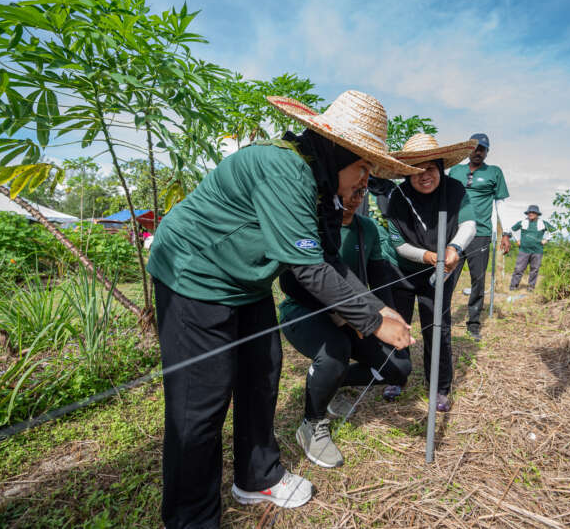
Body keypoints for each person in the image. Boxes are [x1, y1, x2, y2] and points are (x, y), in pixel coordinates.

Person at [146, 90, 419, 529]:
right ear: (338, 151)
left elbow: (327, 258)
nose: (366, 182)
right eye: (364, 167)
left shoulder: (320, 187)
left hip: (245, 280)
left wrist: (378, 310)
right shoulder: (284, 168)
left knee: (263, 372)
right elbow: (308, 269)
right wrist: (372, 321)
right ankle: (191, 518)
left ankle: (257, 477)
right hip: (193, 273)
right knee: (201, 401)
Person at [279, 187, 411, 469]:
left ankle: (332, 382)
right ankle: (312, 423)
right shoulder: (311, 224)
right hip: (304, 309)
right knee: (335, 350)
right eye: (347, 190)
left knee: (398, 368)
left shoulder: (369, 229)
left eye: (360, 191)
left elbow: (379, 279)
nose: (353, 197)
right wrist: (346, 315)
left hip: (356, 312)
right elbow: (292, 283)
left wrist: (390, 316)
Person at [380, 133, 478, 412]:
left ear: (440, 167)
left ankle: (439, 386)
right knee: (398, 323)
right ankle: (396, 377)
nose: (425, 175)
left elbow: (469, 223)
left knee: (437, 327)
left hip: (441, 272)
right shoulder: (397, 197)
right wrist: (429, 256)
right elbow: (398, 244)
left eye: (431, 168)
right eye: (417, 170)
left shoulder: (455, 190)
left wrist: (454, 248)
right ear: (408, 173)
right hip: (403, 271)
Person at [447, 133, 510, 339]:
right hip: (454, 233)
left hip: (480, 233)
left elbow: (500, 203)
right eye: (474, 148)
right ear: (468, 149)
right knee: (448, 276)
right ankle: (441, 318)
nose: (478, 152)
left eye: (482, 149)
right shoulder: (455, 170)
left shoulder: (494, 172)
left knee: (478, 280)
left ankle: (473, 323)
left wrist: (506, 233)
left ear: (487, 151)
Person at [508, 205, 555, 291]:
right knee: (519, 269)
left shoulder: (543, 223)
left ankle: (531, 287)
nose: (531, 214)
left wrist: (546, 239)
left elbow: (554, 231)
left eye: (533, 212)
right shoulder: (523, 222)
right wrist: (517, 239)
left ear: (537, 214)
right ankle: (513, 287)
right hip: (524, 250)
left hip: (537, 250)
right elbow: (512, 229)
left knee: (534, 269)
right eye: (529, 212)